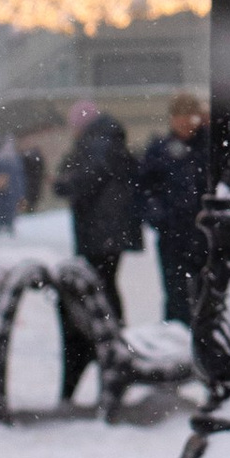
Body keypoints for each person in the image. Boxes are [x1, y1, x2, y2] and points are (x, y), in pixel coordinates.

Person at [55, 105, 141, 401]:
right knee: (104, 285)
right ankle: (109, 338)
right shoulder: (106, 139)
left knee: (99, 285)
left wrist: (64, 183)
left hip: (102, 232)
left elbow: (86, 180)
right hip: (108, 231)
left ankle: (107, 341)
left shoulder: (97, 143)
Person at [137, 92, 210, 324]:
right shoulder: (160, 150)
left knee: (206, 293)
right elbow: (145, 188)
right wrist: (158, 215)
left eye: (190, 115)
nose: (185, 122)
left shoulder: (209, 148)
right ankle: (177, 339)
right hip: (173, 234)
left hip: (205, 234)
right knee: (175, 294)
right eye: (179, 115)